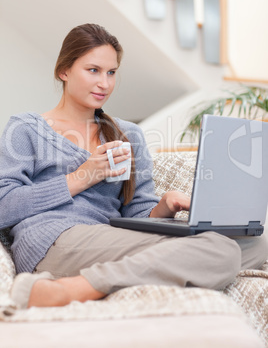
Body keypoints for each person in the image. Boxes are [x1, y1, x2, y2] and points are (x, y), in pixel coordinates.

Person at [0, 23, 267, 309]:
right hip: (53, 239)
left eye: (111, 72)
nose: (105, 83)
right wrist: (81, 177)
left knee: (255, 245)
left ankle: (107, 278)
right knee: (221, 252)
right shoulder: (26, 128)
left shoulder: (129, 134)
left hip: (111, 238)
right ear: (63, 71)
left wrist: (164, 206)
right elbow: (5, 207)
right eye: (93, 70)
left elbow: (137, 215)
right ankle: (67, 289)